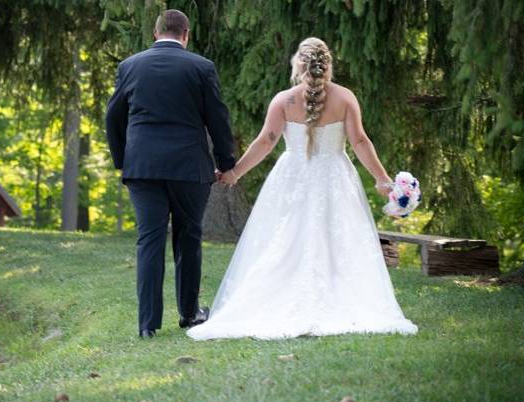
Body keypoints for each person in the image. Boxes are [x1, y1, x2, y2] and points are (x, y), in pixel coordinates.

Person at [188, 37, 418, 340]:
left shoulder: (283, 100)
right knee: (339, 238)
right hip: (335, 177)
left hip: (291, 178)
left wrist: (235, 173)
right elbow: (360, 141)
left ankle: (280, 298)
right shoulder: (345, 98)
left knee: (285, 237)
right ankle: (341, 299)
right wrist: (382, 179)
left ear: (298, 64)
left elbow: (266, 141)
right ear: (328, 65)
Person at [105, 9, 236, 338]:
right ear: (186, 34)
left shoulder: (130, 66)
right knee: (188, 239)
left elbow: (113, 117)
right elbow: (217, 119)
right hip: (189, 168)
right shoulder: (201, 68)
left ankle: (147, 325)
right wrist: (226, 163)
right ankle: (190, 314)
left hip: (143, 168)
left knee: (149, 240)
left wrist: (123, 160)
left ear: (155, 32)